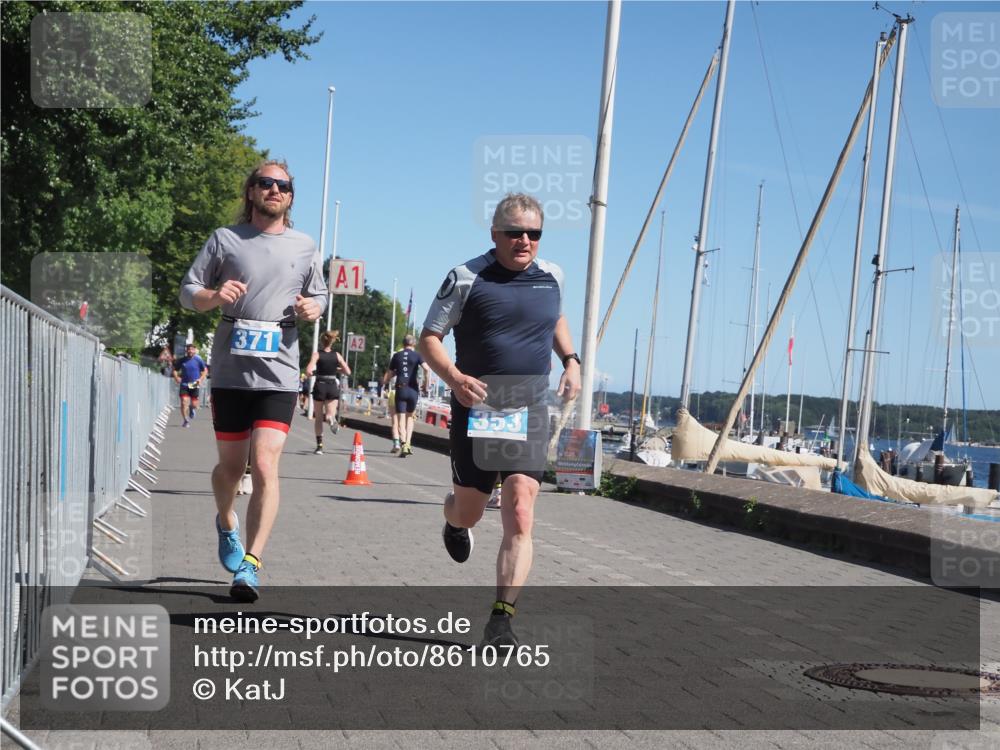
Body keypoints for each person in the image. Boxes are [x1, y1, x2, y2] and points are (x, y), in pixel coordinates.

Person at [419, 193, 581, 647]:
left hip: (530, 406)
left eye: (533, 233)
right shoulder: (466, 277)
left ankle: (501, 618)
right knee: (470, 510)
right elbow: (428, 338)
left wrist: (571, 360)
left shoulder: (553, 276)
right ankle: (453, 520)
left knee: (521, 508)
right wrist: (452, 377)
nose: (524, 240)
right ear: (495, 234)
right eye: (514, 232)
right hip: (480, 407)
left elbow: (556, 318)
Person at [179, 159, 326, 602]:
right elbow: (189, 291)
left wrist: (312, 309)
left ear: (291, 197)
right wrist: (212, 295)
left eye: (283, 186)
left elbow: (319, 294)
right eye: (266, 183)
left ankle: (252, 564)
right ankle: (226, 521)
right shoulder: (225, 239)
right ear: (251, 191)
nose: (274, 190)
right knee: (230, 468)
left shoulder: (304, 246)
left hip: (280, 371)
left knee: (264, 465)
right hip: (230, 371)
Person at [382, 334, 430, 456]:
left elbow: (388, 376)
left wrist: (384, 382)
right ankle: (408, 444)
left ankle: (402, 443)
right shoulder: (418, 355)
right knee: (410, 418)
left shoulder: (396, 356)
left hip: (401, 388)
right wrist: (426, 384)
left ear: (403, 344)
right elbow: (426, 369)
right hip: (413, 389)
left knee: (401, 419)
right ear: (414, 344)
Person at [305, 330, 351, 454]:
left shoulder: (317, 354)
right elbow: (348, 371)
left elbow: (309, 370)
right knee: (330, 414)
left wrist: (314, 373)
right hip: (332, 385)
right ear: (332, 342)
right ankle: (331, 419)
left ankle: (319, 446)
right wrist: (336, 370)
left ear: (321, 341)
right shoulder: (337, 355)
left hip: (320, 385)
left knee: (319, 417)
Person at [173, 344, 207, 427]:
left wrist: (201, 379)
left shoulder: (198, 360)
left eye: (192, 349)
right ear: (186, 351)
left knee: (195, 405)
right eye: (188, 349)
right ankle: (186, 420)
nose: (190, 351)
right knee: (184, 402)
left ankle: (191, 409)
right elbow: (175, 370)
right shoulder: (182, 360)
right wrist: (176, 377)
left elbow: (205, 371)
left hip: (194, 384)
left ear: (195, 350)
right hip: (184, 384)